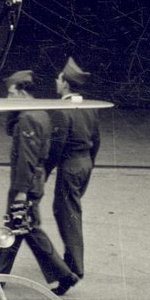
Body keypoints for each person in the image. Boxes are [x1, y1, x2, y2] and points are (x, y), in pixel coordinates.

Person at [0, 69, 78, 294]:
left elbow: (26, 158)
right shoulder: (38, 113)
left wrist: (20, 192)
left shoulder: (28, 118)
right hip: (33, 181)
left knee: (18, 228)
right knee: (23, 229)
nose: (8, 99)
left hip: (24, 184)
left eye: (10, 93)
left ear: (21, 91)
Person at [46, 56, 100, 282]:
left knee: (67, 214)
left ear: (66, 83)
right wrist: (89, 163)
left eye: (59, 78)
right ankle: (72, 260)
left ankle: (75, 267)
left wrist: (46, 171)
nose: (57, 81)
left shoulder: (63, 109)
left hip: (69, 166)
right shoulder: (89, 108)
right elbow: (97, 140)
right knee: (68, 211)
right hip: (85, 163)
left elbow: (56, 145)